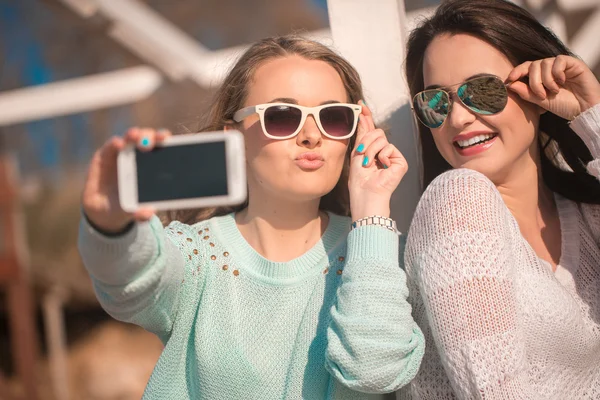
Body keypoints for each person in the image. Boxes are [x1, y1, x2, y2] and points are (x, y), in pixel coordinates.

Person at [78, 35, 424, 399]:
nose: (311, 136)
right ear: (236, 137)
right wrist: (112, 225)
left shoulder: (385, 257)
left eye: (333, 118)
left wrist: (370, 213)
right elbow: (131, 281)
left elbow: (373, 371)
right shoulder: (195, 256)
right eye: (281, 117)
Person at [397, 0, 600, 398]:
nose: (457, 119)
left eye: (483, 90)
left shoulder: (585, 211)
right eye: (435, 102)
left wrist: (592, 112)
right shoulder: (457, 200)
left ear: (541, 89)